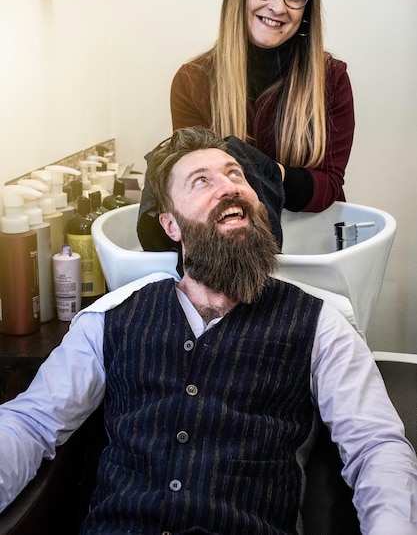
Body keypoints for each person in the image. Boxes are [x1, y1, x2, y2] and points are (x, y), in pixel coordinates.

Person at [0, 126, 416, 535]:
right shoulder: (111, 320)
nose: (229, 187)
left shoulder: (320, 323)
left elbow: (375, 448)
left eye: (236, 174)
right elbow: (31, 424)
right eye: (202, 181)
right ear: (171, 226)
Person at [170, 0, 355, 212]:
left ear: (306, 8)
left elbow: (327, 186)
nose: (278, 6)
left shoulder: (331, 79)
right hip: (230, 242)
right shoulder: (192, 82)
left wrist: (268, 171)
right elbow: (193, 182)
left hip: (312, 243)